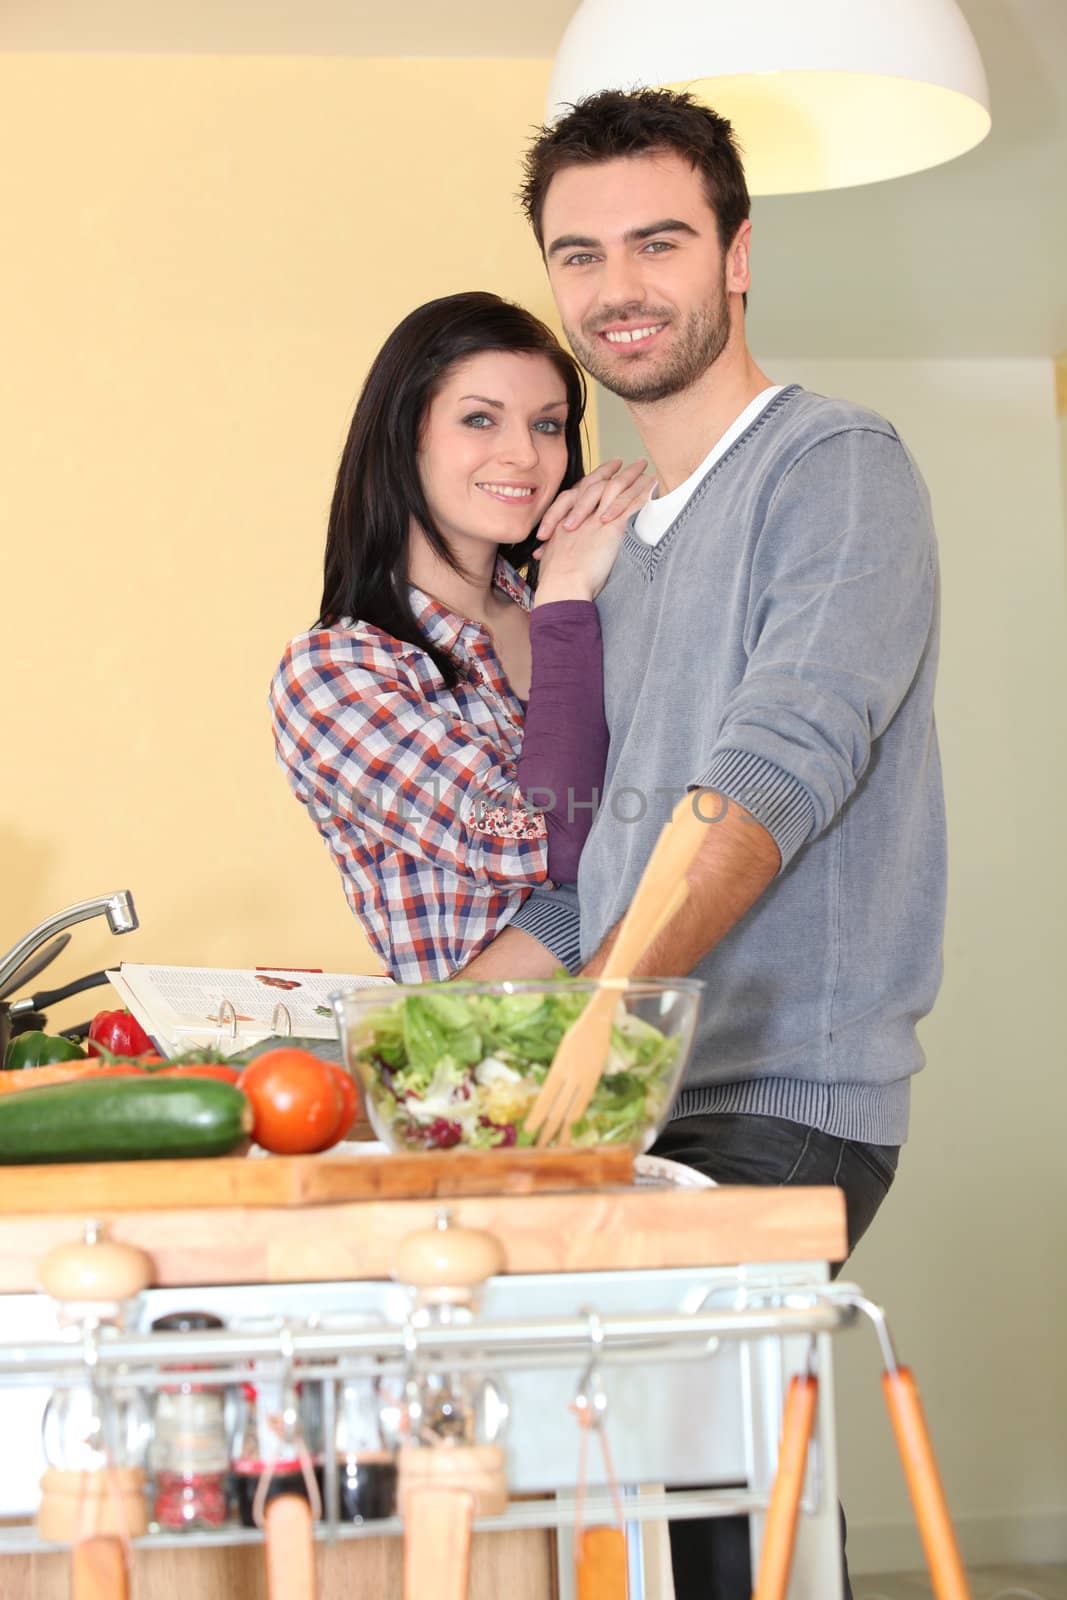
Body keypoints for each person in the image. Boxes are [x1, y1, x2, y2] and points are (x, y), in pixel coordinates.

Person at [462, 91, 946, 1598]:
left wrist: (590, 1028)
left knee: (729, 1495)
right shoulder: (609, 535)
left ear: (736, 255)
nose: (617, 287)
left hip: (775, 1100)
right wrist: (416, 1039)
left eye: (658, 242)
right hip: (636, 1094)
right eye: (579, 252)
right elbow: (577, 858)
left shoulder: (832, 467)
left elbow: (768, 776)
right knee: (671, 1490)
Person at [270, 290, 649, 983]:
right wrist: (563, 594)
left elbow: (687, 813)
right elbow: (552, 840)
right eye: (480, 419)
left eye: (547, 425)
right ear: (404, 435)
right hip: (487, 1078)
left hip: (666, 1053)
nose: (524, 456)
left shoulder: (597, 614)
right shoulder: (339, 673)